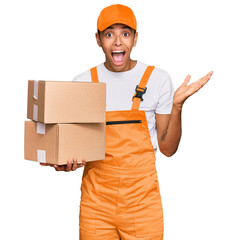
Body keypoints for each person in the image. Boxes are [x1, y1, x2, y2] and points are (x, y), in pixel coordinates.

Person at [41, 4, 213, 240]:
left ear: (135, 38)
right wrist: (62, 162)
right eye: (109, 34)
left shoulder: (157, 79)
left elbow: (168, 149)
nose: (118, 42)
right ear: (98, 40)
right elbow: (71, 146)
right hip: (96, 205)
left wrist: (177, 107)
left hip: (143, 204)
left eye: (125, 33)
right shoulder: (82, 83)